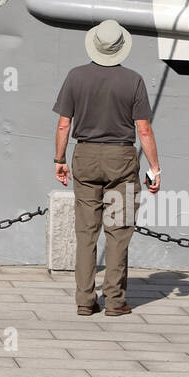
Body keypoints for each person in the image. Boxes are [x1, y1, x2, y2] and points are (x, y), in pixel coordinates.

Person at [52, 19, 161, 316]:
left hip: (85, 156)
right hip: (121, 159)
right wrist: (154, 168)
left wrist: (59, 160)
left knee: (86, 233)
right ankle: (114, 301)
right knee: (118, 232)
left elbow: (64, 124)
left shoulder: (75, 77)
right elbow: (144, 130)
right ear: (120, 49)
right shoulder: (134, 80)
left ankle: (85, 300)